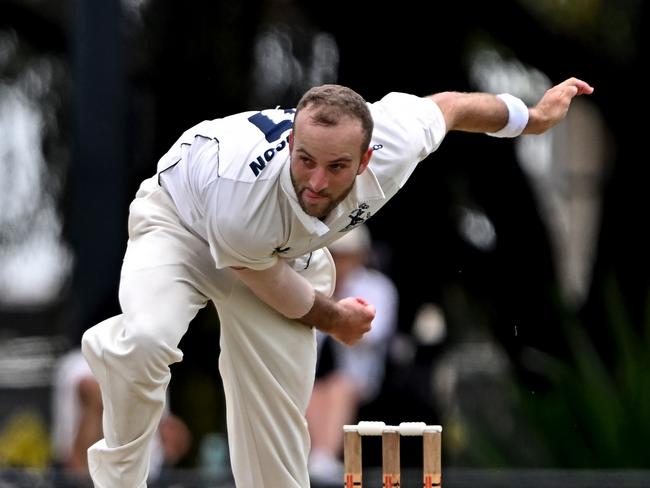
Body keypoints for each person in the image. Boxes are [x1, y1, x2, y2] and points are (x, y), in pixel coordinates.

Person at [80, 77, 593, 487]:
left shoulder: (397, 139)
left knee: (277, 434)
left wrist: (533, 118)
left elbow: (453, 106)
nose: (317, 182)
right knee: (147, 340)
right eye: (304, 160)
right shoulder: (245, 198)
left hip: (273, 252)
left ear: (368, 159)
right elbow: (268, 282)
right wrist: (338, 320)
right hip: (183, 223)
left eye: (336, 166)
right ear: (290, 146)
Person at [306, 224, 398, 484]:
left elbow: (373, 334)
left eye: (345, 255)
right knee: (311, 390)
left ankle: (323, 455)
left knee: (339, 386)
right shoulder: (313, 285)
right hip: (313, 375)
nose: (338, 261)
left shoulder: (378, 287)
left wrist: (335, 315)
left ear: (360, 255)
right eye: (334, 254)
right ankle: (314, 459)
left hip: (361, 378)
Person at [50, 349, 191, 482]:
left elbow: (168, 433)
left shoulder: (152, 368)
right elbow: (78, 467)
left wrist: (170, 435)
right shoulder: (82, 368)